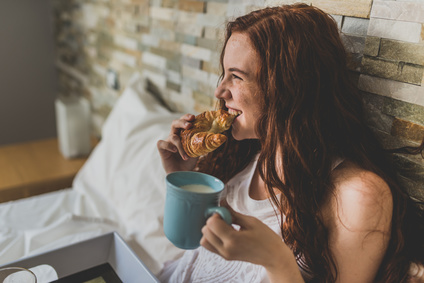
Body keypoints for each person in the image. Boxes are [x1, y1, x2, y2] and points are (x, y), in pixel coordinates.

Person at [157, 3, 424, 282]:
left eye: (236, 77)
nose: (219, 90)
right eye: (224, 74)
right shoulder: (246, 156)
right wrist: (182, 179)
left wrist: (276, 261)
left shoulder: (357, 195)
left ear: (288, 85)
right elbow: (192, 244)